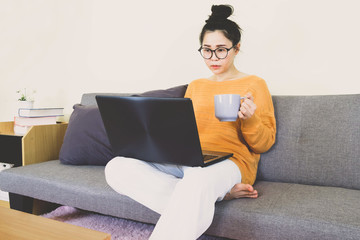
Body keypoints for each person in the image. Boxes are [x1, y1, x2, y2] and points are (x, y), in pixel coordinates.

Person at [105, 4, 276, 240]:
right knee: (117, 167)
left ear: (237, 49)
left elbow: (264, 144)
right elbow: (184, 129)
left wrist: (251, 119)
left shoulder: (254, 84)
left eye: (221, 50)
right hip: (190, 157)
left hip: (232, 162)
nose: (213, 58)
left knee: (197, 178)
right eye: (207, 50)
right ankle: (214, 196)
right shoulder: (196, 85)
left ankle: (203, 195)